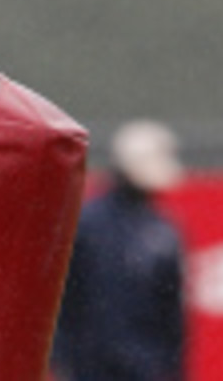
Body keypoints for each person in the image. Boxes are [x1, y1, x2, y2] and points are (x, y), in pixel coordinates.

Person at [51, 119, 186, 381]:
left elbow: (172, 315)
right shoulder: (89, 226)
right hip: (93, 369)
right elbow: (67, 301)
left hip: (144, 369)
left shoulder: (162, 231)